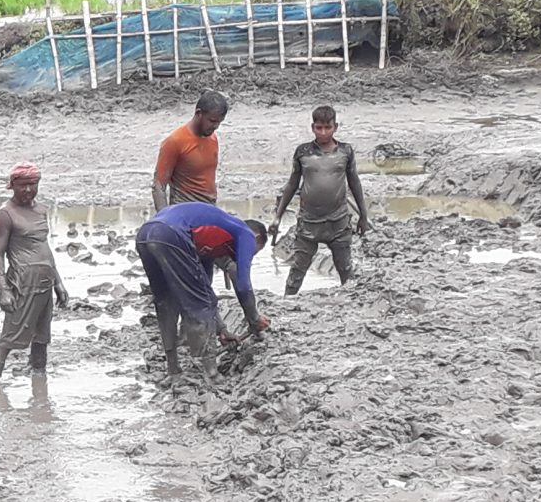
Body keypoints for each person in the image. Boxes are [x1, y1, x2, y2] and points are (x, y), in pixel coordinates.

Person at [134, 201, 269, 383]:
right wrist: (254, 319)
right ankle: (212, 374)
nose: (248, 256)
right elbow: (242, 284)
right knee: (198, 305)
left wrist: (221, 329)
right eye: (254, 252)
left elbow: (205, 290)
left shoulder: (207, 241)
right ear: (257, 238)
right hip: (171, 233)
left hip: (146, 233)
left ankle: (173, 370)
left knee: (165, 303)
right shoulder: (245, 233)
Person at [266, 105, 371, 293]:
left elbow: (354, 182)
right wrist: (278, 216)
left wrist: (363, 215)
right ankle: (287, 304)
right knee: (297, 270)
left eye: (327, 127)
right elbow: (292, 184)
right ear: (312, 127)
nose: (323, 132)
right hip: (309, 222)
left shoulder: (345, 152)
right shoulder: (303, 152)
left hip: (338, 221)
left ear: (335, 127)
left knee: (345, 269)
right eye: (319, 128)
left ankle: (350, 306)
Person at [0, 162, 71, 380]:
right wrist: (3, 291)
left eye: (32, 185)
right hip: (21, 284)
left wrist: (58, 283)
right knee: (8, 340)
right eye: (23, 185)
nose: (27, 190)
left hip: (44, 284)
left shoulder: (41, 210)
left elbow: (45, 249)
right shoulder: (5, 214)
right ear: (12, 185)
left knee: (41, 339)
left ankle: (39, 382)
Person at [151, 90, 229, 212]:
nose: (216, 126)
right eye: (212, 121)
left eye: (219, 122)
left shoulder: (212, 139)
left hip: (208, 209)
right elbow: (159, 186)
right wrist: (165, 220)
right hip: (184, 211)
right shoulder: (175, 141)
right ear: (199, 114)